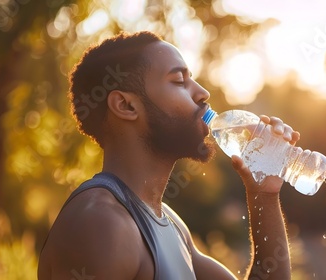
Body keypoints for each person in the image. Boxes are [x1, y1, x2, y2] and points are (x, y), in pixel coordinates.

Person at [38, 31, 299, 280]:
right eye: (178, 81)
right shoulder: (100, 223)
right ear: (126, 105)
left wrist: (264, 195)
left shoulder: (170, 224)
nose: (202, 93)